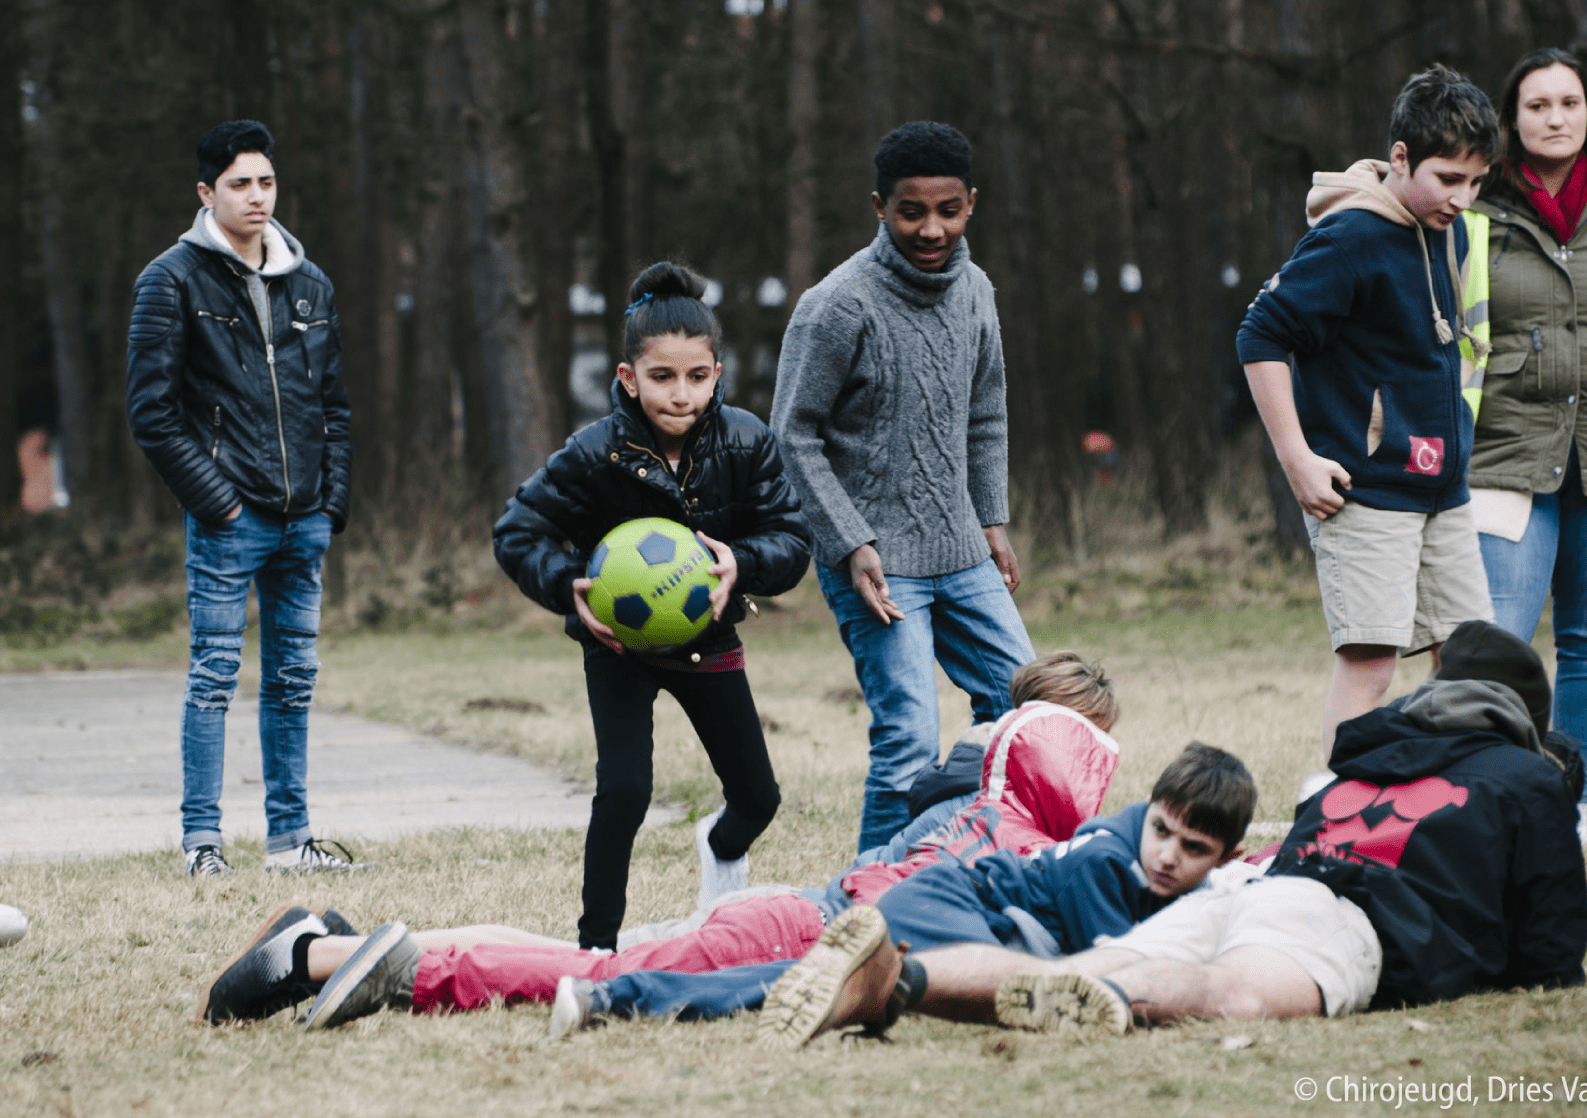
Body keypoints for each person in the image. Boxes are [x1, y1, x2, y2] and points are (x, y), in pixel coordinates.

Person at [777, 621, 1587, 1044]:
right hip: (1337, 919)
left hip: (1253, 884)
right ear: (1521, 720)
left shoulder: (1370, 755)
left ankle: (899, 978)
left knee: (1074, 970)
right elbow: (1547, 961)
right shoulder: (1525, 777)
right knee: (1235, 996)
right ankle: (1114, 1004)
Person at [192, 652, 1121, 1028]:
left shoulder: (980, 811)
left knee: (585, 956)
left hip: (781, 919)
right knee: (584, 976)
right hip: (786, 930)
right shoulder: (995, 820)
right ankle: (316, 957)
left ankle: (339, 941)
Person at [493, 262, 812, 950]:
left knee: (758, 799)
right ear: (629, 377)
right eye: (662, 377)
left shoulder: (747, 440)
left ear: (717, 373)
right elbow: (516, 532)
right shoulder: (593, 452)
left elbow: (791, 539)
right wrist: (566, 586)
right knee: (626, 791)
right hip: (620, 646)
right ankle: (596, 946)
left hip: (708, 638)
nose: (681, 393)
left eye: (697, 376)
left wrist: (744, 562)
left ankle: (720, 849)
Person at [558, 742, 1254, 1045]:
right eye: (1162, 831)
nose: (1167, 856)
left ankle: (611, 999)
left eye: (1194, 850)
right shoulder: (1108, 860)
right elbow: (1120, 974)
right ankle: (620, 994)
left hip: (956, 911)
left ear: (1226, 855)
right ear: (1153, 806)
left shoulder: (1141, 849)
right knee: (828, 983)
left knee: (809, 979)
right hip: (945, 907)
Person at [771, 120, 1036, 852]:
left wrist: (992, 519)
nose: (931, 228)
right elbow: (793, 434)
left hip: (961, 553)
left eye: (948, 210)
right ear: (879, 208)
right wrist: (850, 542)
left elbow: (985, 410)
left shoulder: (976, 291)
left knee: (1030, 711)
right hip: (877, 566)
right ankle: (868, 905)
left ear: (971, 204)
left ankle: (994, 861)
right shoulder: (837, 306)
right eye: (911, 211)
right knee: (909, 740)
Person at [1237, 65, 1500, 764]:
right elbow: (1260, 335)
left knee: (1468, 659)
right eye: (1448, 179)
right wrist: (1297, 459)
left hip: (1443, 489)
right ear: (1402, 157)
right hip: (1367, 489)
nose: (1463, 197)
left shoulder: (1456, 230)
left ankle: (1461, 811)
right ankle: (1326, 826)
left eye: (1476, 182)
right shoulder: (1348, 239)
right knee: (1372, 664)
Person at [125, 120, 359, 878]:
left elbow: (335, 407)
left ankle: (290, 843)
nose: (256, 197)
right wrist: (218, 504)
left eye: (265, 182)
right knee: (214, 678)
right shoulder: (171, 280)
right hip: (232, 520)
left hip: (305, 520)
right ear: (206, 193)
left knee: (292, 680)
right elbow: (151, 415)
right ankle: (202, 846)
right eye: (239, 184)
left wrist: (331, 506)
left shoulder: (311, 282)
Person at [1461, 48, 1587, 851]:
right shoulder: (1474, 204)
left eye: (1570, 102)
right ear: (1513, 118)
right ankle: (1501, 798)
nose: (1556, 118)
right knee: (1498, 636)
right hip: (1505, 449)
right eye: (1538, 106)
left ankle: (1581, 805)